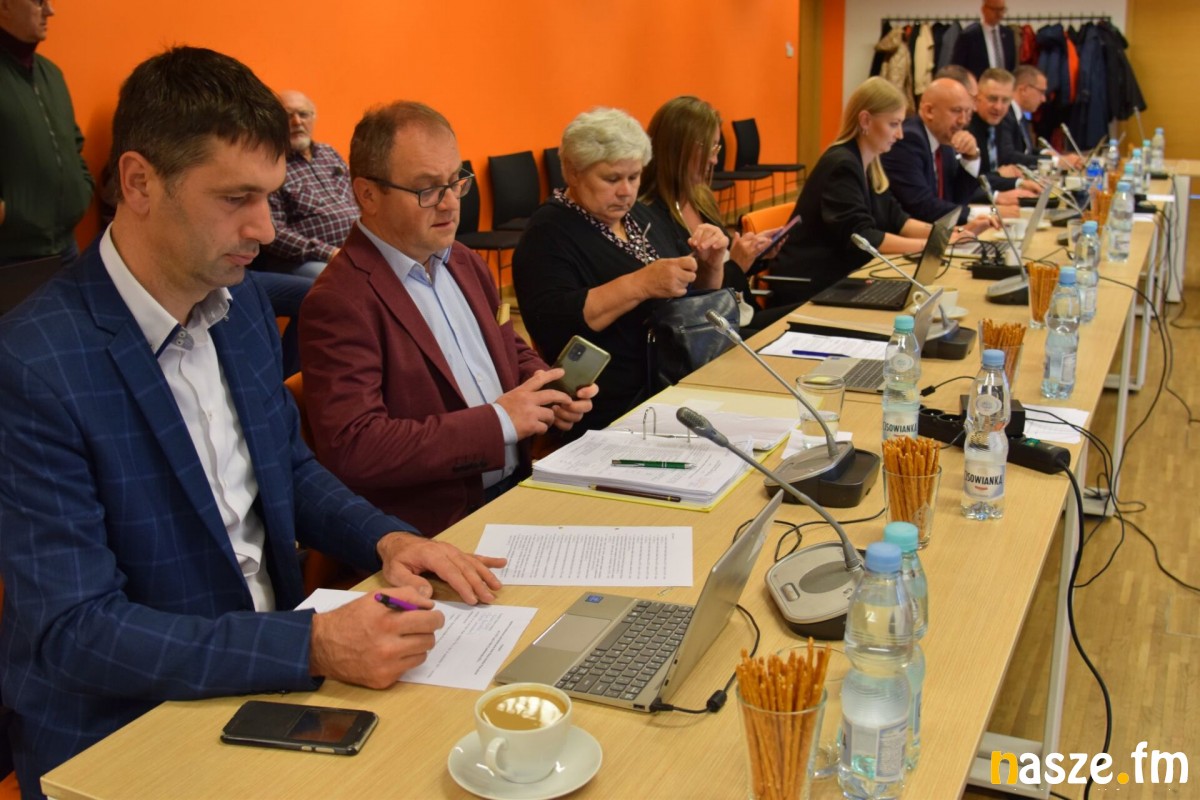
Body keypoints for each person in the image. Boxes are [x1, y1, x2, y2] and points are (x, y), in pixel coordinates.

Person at [0, 47, 505, 795]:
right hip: (125, 728)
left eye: (269, 196)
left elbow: (289, 468)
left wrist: (388, 538)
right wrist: (311, 644)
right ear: (139, 183)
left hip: (270, 680)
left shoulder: (237, 313)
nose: (265, 228)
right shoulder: (35, 364)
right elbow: (76, 631)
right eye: (236, 198)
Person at [298, 102, 595, 538]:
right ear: (367, 195)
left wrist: (546, 390)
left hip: (519, 484)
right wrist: (499, 421)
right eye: (427, 189)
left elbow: (506, 347)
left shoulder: (463, 260)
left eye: (456, 181)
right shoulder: (339, 301)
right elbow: (356, 447)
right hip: (436, 527)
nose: (451, 203)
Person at [512, 107, 727, 435]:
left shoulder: (640, 214)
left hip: (674, 379)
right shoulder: (547, 233)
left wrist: (710, 265)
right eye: (612, 179)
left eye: (634, 177)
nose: (626, 190)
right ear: (573, 172)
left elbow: (695, 298)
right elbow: (554, 325)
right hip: (610, 404)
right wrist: (641, 284)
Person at [769, 77, 992, 306]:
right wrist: (933, 246)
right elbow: (862, 237)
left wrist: (951, 235)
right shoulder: (841, 165)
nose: (900, 134)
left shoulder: (870, 164)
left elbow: (898, 220)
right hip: (810, 283)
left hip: (839, 277)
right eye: (894, 124)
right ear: (865, 120)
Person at [637, 95, 792, 331]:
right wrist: (737, 265)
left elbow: (725, 266)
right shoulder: (649, 216)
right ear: (679, 149)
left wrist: (756, 255)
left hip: (737, 315)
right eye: (710, 148)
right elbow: (691, 297)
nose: (714, 160)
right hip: (713, 329)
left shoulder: (700, 198)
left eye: (716, 148)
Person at [0, 0, 94, 267]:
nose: (50, 11)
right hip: (11, 257)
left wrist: (82, 189)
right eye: (38, 2)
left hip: (66, 246)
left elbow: (73, 142)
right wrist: (10, 213)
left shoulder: (51, 73)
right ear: (5, 6)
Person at [260, 90, 359, 278]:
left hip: (355, 248)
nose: (297, 122)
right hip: (307, 259)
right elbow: (274, 232)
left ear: (313, 118)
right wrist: (328, 252)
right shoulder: (271, 165)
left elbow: (356, 199)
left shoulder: (328, 153)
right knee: (345, 278)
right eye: (288, 116)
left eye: (303, 114)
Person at [880, 77, 991, 225]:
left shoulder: (943, 141)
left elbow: (956, 201)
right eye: (956, 111)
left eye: (967, 112)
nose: (963, 120)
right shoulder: (908, 139)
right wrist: (982, 215)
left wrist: (970, 157)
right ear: (929, 111)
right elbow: (921, 205)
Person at [967, 68, 1041, 196]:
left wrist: (1018, 182)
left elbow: (1003, 171)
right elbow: (972, 182)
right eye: (992, 99)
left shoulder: (1002, 122)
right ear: (977, 98)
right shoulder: (966, 127)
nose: (998, 107)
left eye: (1005, 100)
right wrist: (1009, 180)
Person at [951, 0, 1015, 77]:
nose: (999, 14)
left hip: (1004, 83)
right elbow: (957, 68)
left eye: (1002, 9)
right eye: (995, 9)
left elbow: (1011, 66)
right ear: (984, 9)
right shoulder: (969, 36)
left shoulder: (1008, 35)